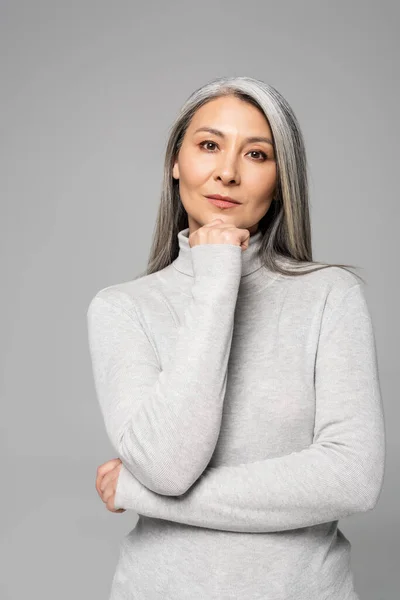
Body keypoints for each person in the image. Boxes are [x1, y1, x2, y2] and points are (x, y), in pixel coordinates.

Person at [87, 75, 386, 600]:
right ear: (175, 163)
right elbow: (168, 464)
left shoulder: (330, 296)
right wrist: (217, 275)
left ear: (281, 178)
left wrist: (141, 494)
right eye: (208, 146)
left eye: (256, 154)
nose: (227, 172)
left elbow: (352, 477)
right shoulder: (122, 308)